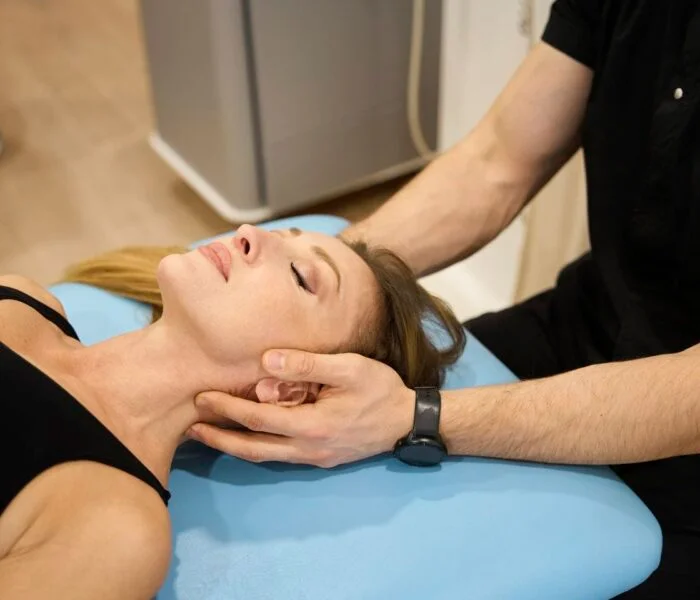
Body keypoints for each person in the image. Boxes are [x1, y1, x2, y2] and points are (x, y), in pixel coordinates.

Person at [188, 1, 700, 597]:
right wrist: (328, 273)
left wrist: (419, 418)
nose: (249, 234)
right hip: (585, 320)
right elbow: (497, 161)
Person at [0, 225, 465, 598]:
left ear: (290, 389)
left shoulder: (117, 533)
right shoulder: (22, 301)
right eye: (278, 235)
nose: (248, 233)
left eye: (300, 276)